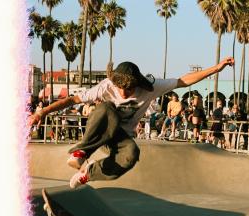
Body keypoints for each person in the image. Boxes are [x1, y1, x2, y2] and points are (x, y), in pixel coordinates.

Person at [29, 58, 234, 189]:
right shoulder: (107, 86)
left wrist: (216, 68)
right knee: (107, 108)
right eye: (120, 89)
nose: (124, 94)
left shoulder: (151, 87)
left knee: (132, 155)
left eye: (129, 90)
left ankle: (88, 174)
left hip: (121, 137)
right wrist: (41, 112)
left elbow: (183, 81)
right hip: (103, 126)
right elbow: (73, 100)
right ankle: (81, 153)